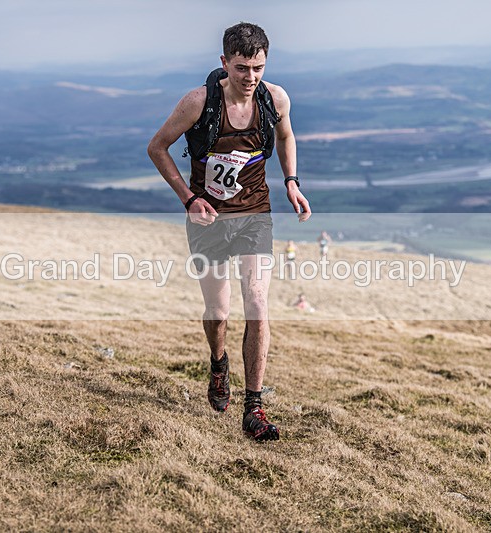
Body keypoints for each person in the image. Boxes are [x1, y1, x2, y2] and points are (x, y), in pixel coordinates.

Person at [148, 22, 311, 441]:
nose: (250, 77)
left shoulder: (275, 98)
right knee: (218, 311)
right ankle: (218, 364)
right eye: (241, 68)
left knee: (257, 304)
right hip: (208, 219)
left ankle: (253, 406)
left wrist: (291, 181)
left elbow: (287, 134)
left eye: (257, 67)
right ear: (224, 63)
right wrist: (188, 198)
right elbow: (157, 146)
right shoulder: (199, 102)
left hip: (256, 214)